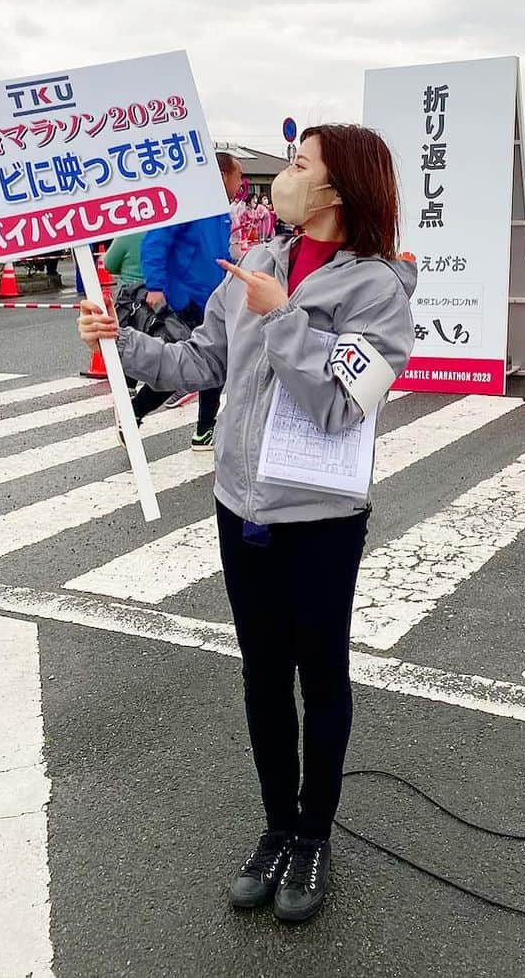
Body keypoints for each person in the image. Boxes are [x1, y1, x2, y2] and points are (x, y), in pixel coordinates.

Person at [78, 125, 415, 924]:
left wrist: (286, 317)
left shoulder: (378, 288)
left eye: (300, 167)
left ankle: (315, 837)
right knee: (263, 675)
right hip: (242, 507)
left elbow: (342, 404)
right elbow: (201, 365)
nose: (283, 180)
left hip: (321, 520)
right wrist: (119, 340)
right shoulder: (253, 264)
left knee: (320, 676)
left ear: (339, 192)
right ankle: (276, 828)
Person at [130, 151, 244, 450]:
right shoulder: (190, 202)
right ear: (222, 176)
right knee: (187, 368)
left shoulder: (219, 211)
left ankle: (204, 429)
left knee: (213, 364)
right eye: (238, 176)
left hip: (212, 300)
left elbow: (217, 255)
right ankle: (134, 413)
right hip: (186, 299)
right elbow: (155, 242)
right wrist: (155, 287)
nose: (240, 183)